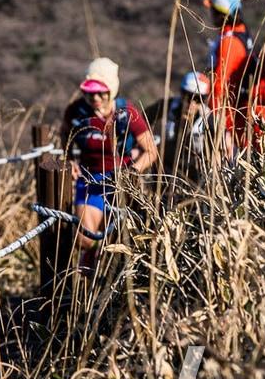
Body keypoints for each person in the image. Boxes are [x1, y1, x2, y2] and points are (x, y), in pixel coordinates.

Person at [59, 58, 158, 258]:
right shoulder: (76, 112)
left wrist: (132, 172)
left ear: (111, 89)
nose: (95, 97)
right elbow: (64, 136)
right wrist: (69, 159)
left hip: (122, 181)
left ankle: (103, 273)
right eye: (90, 92)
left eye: (100, 91)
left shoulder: (127, 112)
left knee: (116, 239)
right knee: (84, 239)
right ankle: (89, 261)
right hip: (90, 179)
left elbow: (151, 151)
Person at [202, 0, 253, 156]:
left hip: (228, 116)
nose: (212, 15)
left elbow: (220, 83)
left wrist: (219, 120)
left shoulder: (229, 42)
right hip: (235, 113)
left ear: (224, 15)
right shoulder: (241, 33)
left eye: (214, 12)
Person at [146, 71, 211, 186]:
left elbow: (219, 149)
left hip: (194, 174)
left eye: (197, 99)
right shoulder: (167, 106)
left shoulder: (209, 119)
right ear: (181, 94)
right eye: (188, 97)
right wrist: (149, 143)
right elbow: (143, 119)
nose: (191, 103)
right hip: (164, 168)